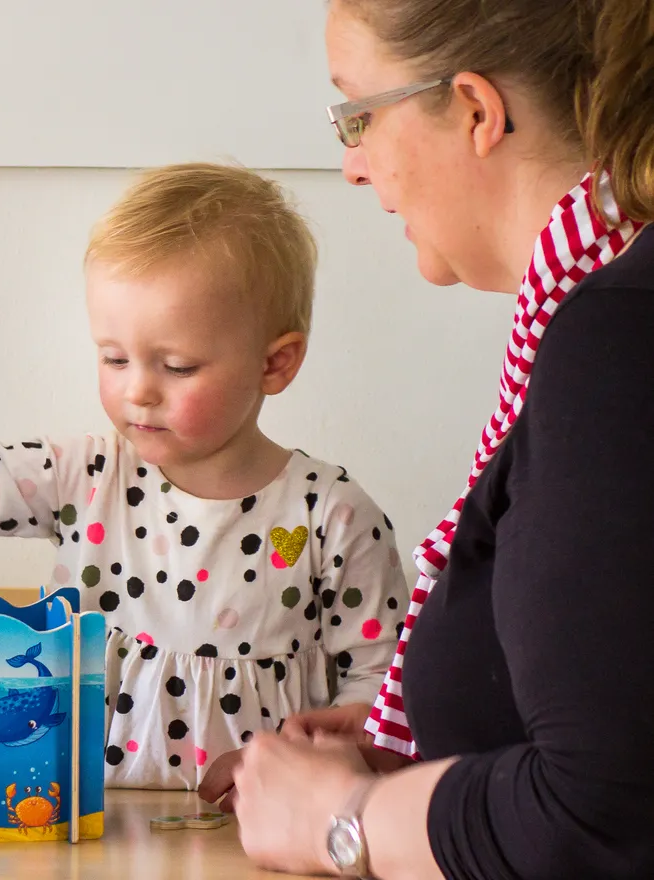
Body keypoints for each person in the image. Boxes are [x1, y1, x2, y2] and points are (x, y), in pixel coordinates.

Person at [205, 1, 654, 876]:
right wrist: (438, 747)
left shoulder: (617, 339)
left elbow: (602, 817)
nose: (353, 166)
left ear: (478, 111)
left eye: (358, 116)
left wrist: (349, 818)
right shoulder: (601, 315)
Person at [0, 163, 409, 789]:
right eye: (114, 358)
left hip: (262, 831)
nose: (138, 390)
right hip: (85, 822)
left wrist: (337, 759)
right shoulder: (85, 476)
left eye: (177, 366)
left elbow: (380, 683)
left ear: (275, 363)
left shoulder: (333, 515)